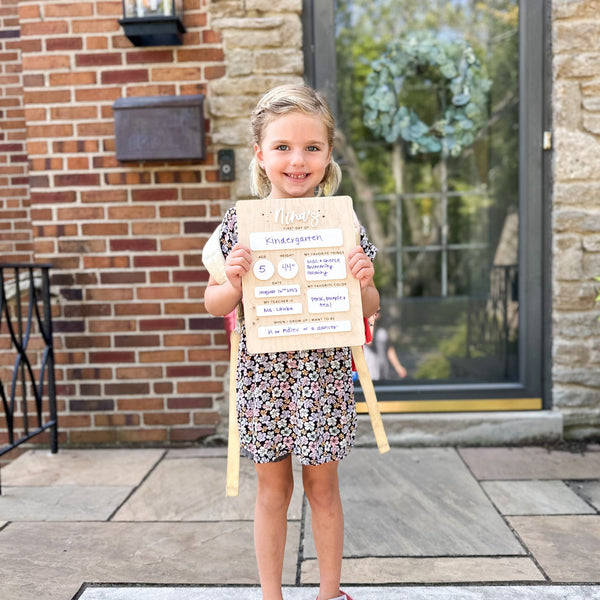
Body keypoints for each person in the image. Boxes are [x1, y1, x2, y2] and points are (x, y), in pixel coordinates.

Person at [204, 84, 379, 600]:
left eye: (311, 148)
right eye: (282, 147)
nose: (297, 160)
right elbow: (213, 302)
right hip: (264, 380)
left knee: (323, 489)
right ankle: (271, 595)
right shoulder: (241, 223)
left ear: (328, 155)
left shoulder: (341, 220)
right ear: (260, 155)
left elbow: (370, 307)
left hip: (324, 377)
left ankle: (329, 593)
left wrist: (364, 281)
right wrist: (232, 281)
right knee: (272, 490)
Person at [364, 311, 407, 380]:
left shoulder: (382, 331)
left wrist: (398, 367)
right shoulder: (362, 329)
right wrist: (371, 322)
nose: (375, 315)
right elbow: (369, 342)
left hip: (383, 370)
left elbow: (389, 349)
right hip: (369, 371)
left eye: (377, 312)